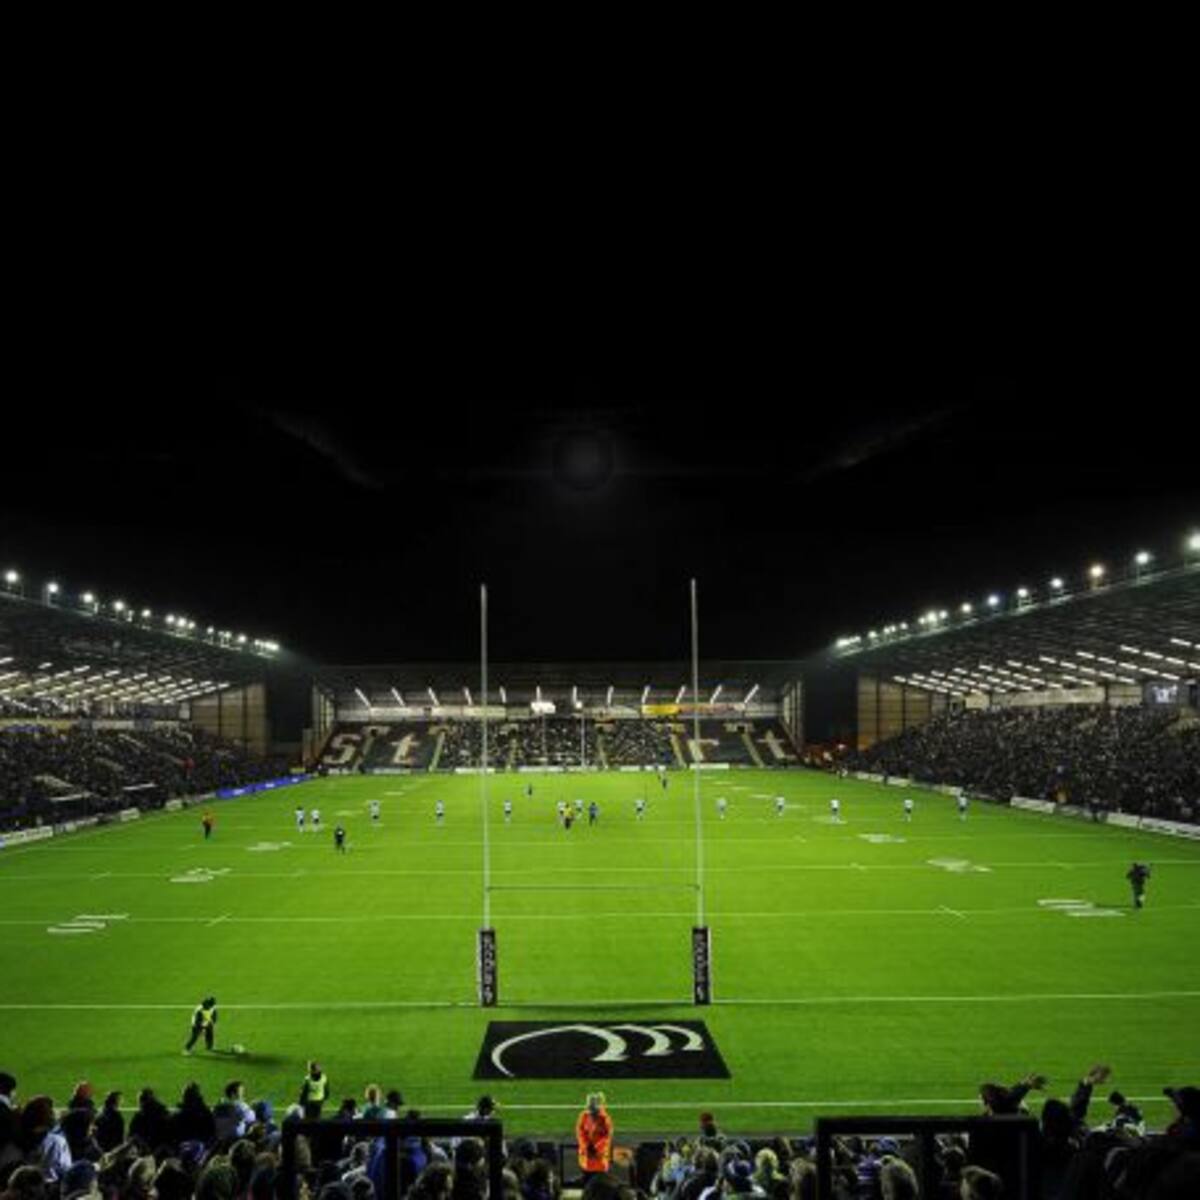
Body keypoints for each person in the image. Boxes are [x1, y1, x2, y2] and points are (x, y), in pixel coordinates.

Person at [576, 1093, 612, 1191]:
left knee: (601, 1189)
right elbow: (580, 1132)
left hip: (600, 1162)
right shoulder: (584, 1116)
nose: (591, 1114)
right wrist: (586, 1146)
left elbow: (606, 1137)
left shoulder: (604, 1119)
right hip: (586, 1161)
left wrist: (595, 1148)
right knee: (587, 1189)